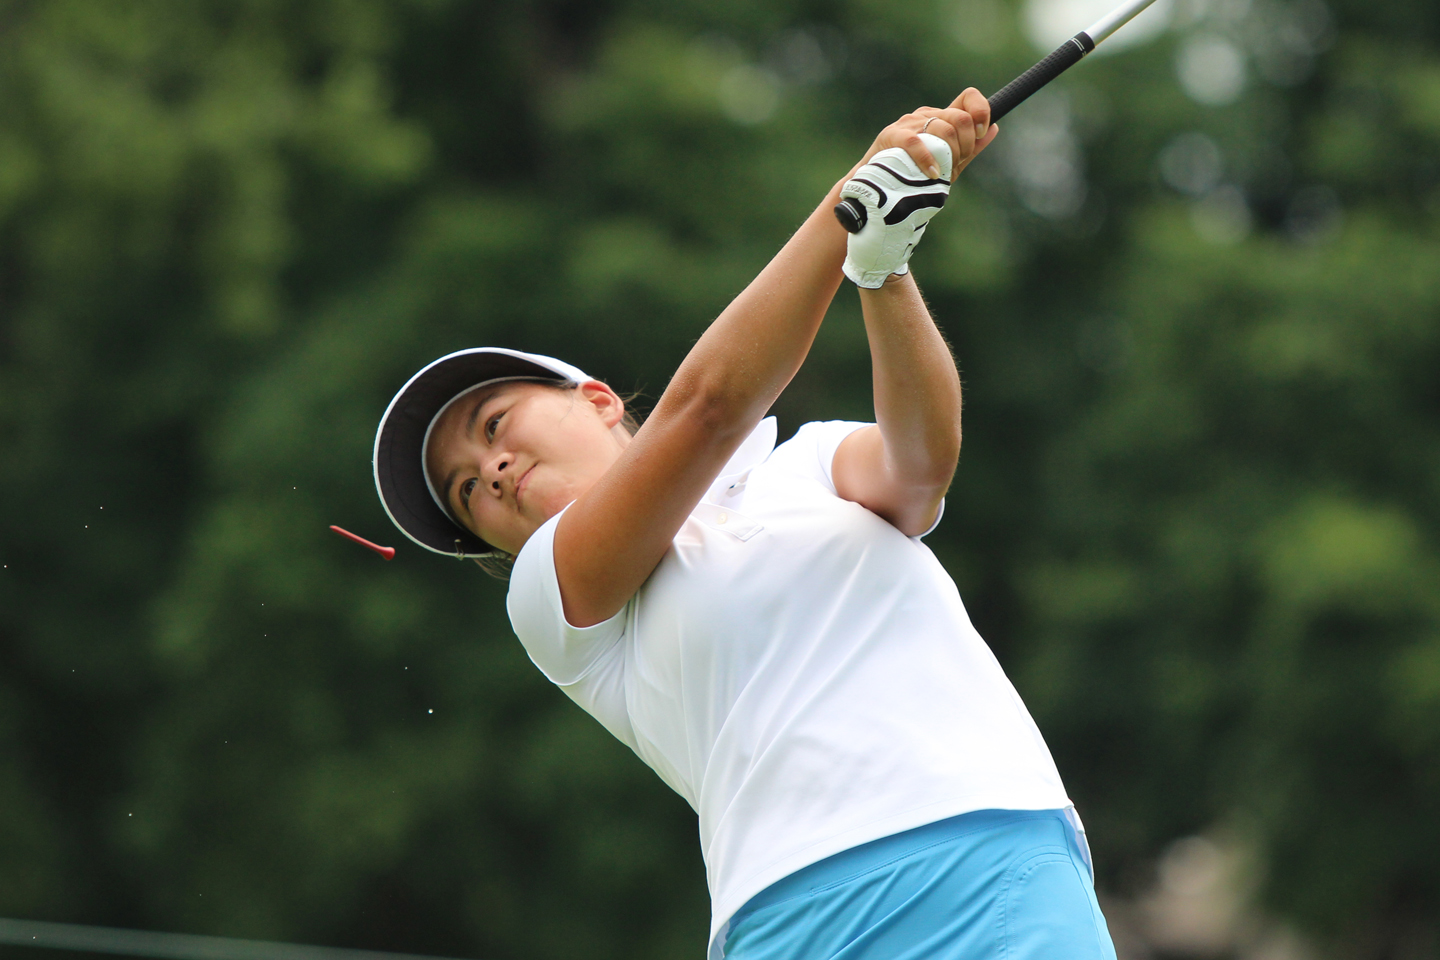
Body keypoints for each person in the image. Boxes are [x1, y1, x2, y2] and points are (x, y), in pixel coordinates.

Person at [373, 87, 1117, 960]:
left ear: (598, 400)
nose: (490, 471)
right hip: (792, 918)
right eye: (465, 492)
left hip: (988, 847)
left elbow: (920, 471)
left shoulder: (805, 462)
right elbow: (708, 408)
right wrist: (852, 195)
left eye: (494, 425)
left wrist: (882, 264)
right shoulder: (553, 601)